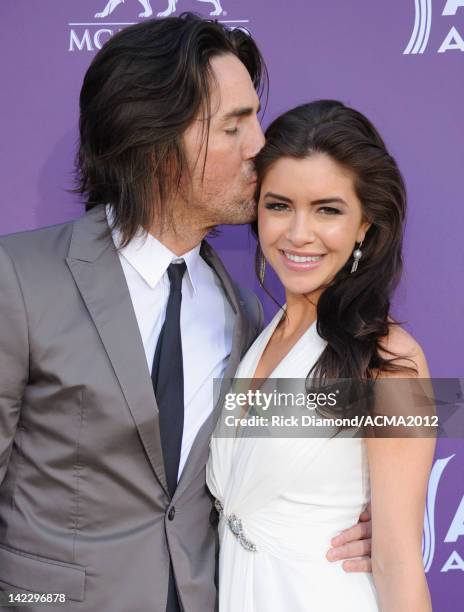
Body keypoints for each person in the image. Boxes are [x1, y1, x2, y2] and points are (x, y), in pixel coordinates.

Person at [0, 17, 371, 612]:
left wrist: (374, 504)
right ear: (155, 144)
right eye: (234, 125)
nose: (261, 145)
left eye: (256, 116)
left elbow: (363, 408)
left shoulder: (248, 312)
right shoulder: (18, 279)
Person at [207, 100, 435, 611]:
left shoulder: (390, 359)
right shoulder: (256, 338)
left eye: (327, 209)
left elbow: (398, 564)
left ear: (364, 225)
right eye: (279, 205)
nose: (298, 233)